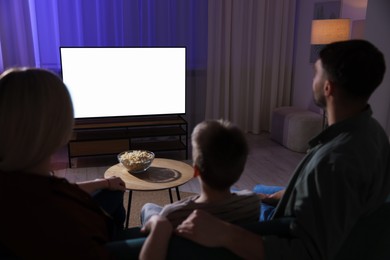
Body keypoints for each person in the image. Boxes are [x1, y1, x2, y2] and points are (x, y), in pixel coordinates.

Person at [174, 39, 390, 259]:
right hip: (311, 215)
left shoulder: (334, 163)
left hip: (281, 229)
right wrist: (279, 195)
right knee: (255, 190)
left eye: (315, 73)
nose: (312, 80)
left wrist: (226, 234)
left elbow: (307, 253)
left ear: (328, 87)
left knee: (199, 211)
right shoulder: (373, 132)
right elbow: (323, 195)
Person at [0, 67, 171, 259]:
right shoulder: (63, 227)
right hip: (99, 242)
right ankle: (122, 236)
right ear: (58, 127)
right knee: (172, 235)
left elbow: (60, 189)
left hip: (90, 226)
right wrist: (160, 228)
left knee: (113, 191)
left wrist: (103, 182)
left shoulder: (19, 178)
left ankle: (116, 232)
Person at [141, 119, 260, 228]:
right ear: (241, 169)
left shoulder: (172, 214)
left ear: (196, 171)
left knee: (148, 208)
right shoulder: (252, 203)